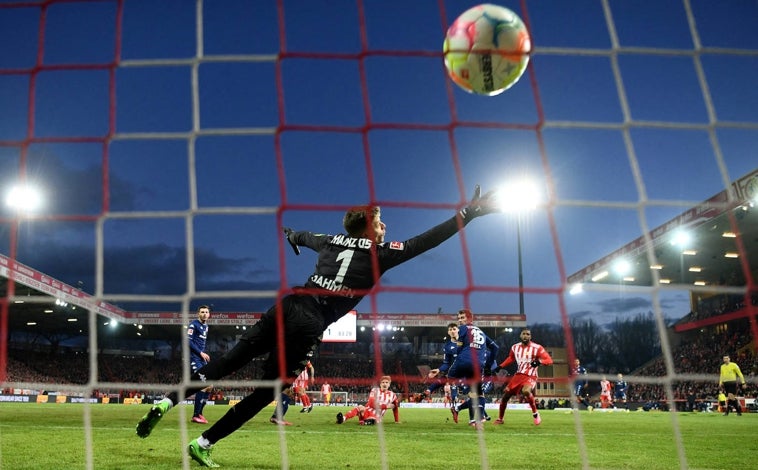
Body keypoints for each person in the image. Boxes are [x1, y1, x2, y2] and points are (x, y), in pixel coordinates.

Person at [135, 185, 498, 467]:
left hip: (287, 304)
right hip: (310, 321)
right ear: (368, 229)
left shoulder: (331, 240)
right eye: (380, 223)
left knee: (229, 361)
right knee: (266, 392)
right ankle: (203, 444)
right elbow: (425, 241)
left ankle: (166, 404)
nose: (385, 227)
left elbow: (306, 236)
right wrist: (467, 214)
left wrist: (292, 235)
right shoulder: (380, 254)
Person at [447, 309, 498, 427]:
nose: (460, 320)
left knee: (449, 377)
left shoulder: (463, 329)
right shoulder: (482, 333)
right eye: (459, 318)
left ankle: (456, 401)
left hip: (463, 361)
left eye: (462, 318)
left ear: (470, 318)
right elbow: (495, 348)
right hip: (478, 365)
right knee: (479, 394)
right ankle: (479, 419)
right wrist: (489, 366)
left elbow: (459, 349)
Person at [493, 328, 553, 425]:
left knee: (526, 391)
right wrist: (500, 366)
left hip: (531, 375)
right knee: (505, 397)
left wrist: (539, 362)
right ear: (520, 336)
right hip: (518, 375)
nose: (525, 336)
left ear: (530, 336)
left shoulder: (537, 348)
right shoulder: (514, 347)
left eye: (528, 334)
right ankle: (500, 419)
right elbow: (511, 358)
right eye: (524, 334)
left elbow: (549, 360)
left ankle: (535, 414)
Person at [188, 305, 214, 424]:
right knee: (203, 384)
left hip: (201, 359)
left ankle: (200, 413)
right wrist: (200, 353)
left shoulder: (206, 326)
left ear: (209, 315)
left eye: (206, 312)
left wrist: (203, 355)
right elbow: (188, 341)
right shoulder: (193, 325)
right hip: (194, 359)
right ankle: (195, 415)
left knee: (210, 386)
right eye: (202, 312)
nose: (204, 314)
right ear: (198, 313)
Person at [425, 322, 459, 398]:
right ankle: (427, 392)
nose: (452, 331)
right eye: (450, 329)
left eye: (454, 329)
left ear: (458, 330)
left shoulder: (465, 342)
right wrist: (438, 370)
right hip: (453, 373)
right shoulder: (447, 346)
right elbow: (446, 363)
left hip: (466, 372)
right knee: (443, 379)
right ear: (448, 332)